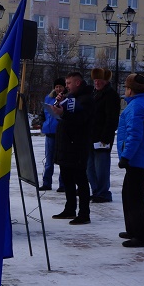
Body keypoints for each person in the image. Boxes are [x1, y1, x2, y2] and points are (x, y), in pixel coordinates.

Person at [117, 73, 144, 248]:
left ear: (130, 90)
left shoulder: (135, 108)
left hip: (136, 158)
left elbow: (134, 135)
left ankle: (141, 235)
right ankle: (133, 229)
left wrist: (126, 156)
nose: (124, 90)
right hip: (142, 156)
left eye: (126, 87)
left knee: (134, 198)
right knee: (129, 195)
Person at [50, 71, 94, 225]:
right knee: (67, 178)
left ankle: (84, 213)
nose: (65, 86)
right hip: (65, 143)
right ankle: (70, 209)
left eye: (68, 83)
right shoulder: (69, 97)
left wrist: (64, 114)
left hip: (78, 144)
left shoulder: (86, 99)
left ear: (77, 83)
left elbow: (81, 119)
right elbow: (63, 115)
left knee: (80, 179)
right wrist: (58, 104)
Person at [87, 67, 120, 203]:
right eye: (95, 80)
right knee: (90, 167)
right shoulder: (93, 94)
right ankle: (96, 190)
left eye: (99, 80)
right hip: (90, 137)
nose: (97, 82)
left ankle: (103, 192)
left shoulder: (111, 96)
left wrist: (105, 138)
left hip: (102, 138)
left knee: (101, 167)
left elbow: (111, 119)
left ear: (106, 81)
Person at [40, 78, 65, 191]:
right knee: (49, 161)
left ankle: (63, 184)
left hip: (61, 133)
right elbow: (43, 113)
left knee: (62, 160)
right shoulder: (48, 98)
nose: (58, 89)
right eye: (56, 87)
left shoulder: (66, 99)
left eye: (60, 86)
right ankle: (46, 183)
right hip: (49, 132)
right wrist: (42, 123)